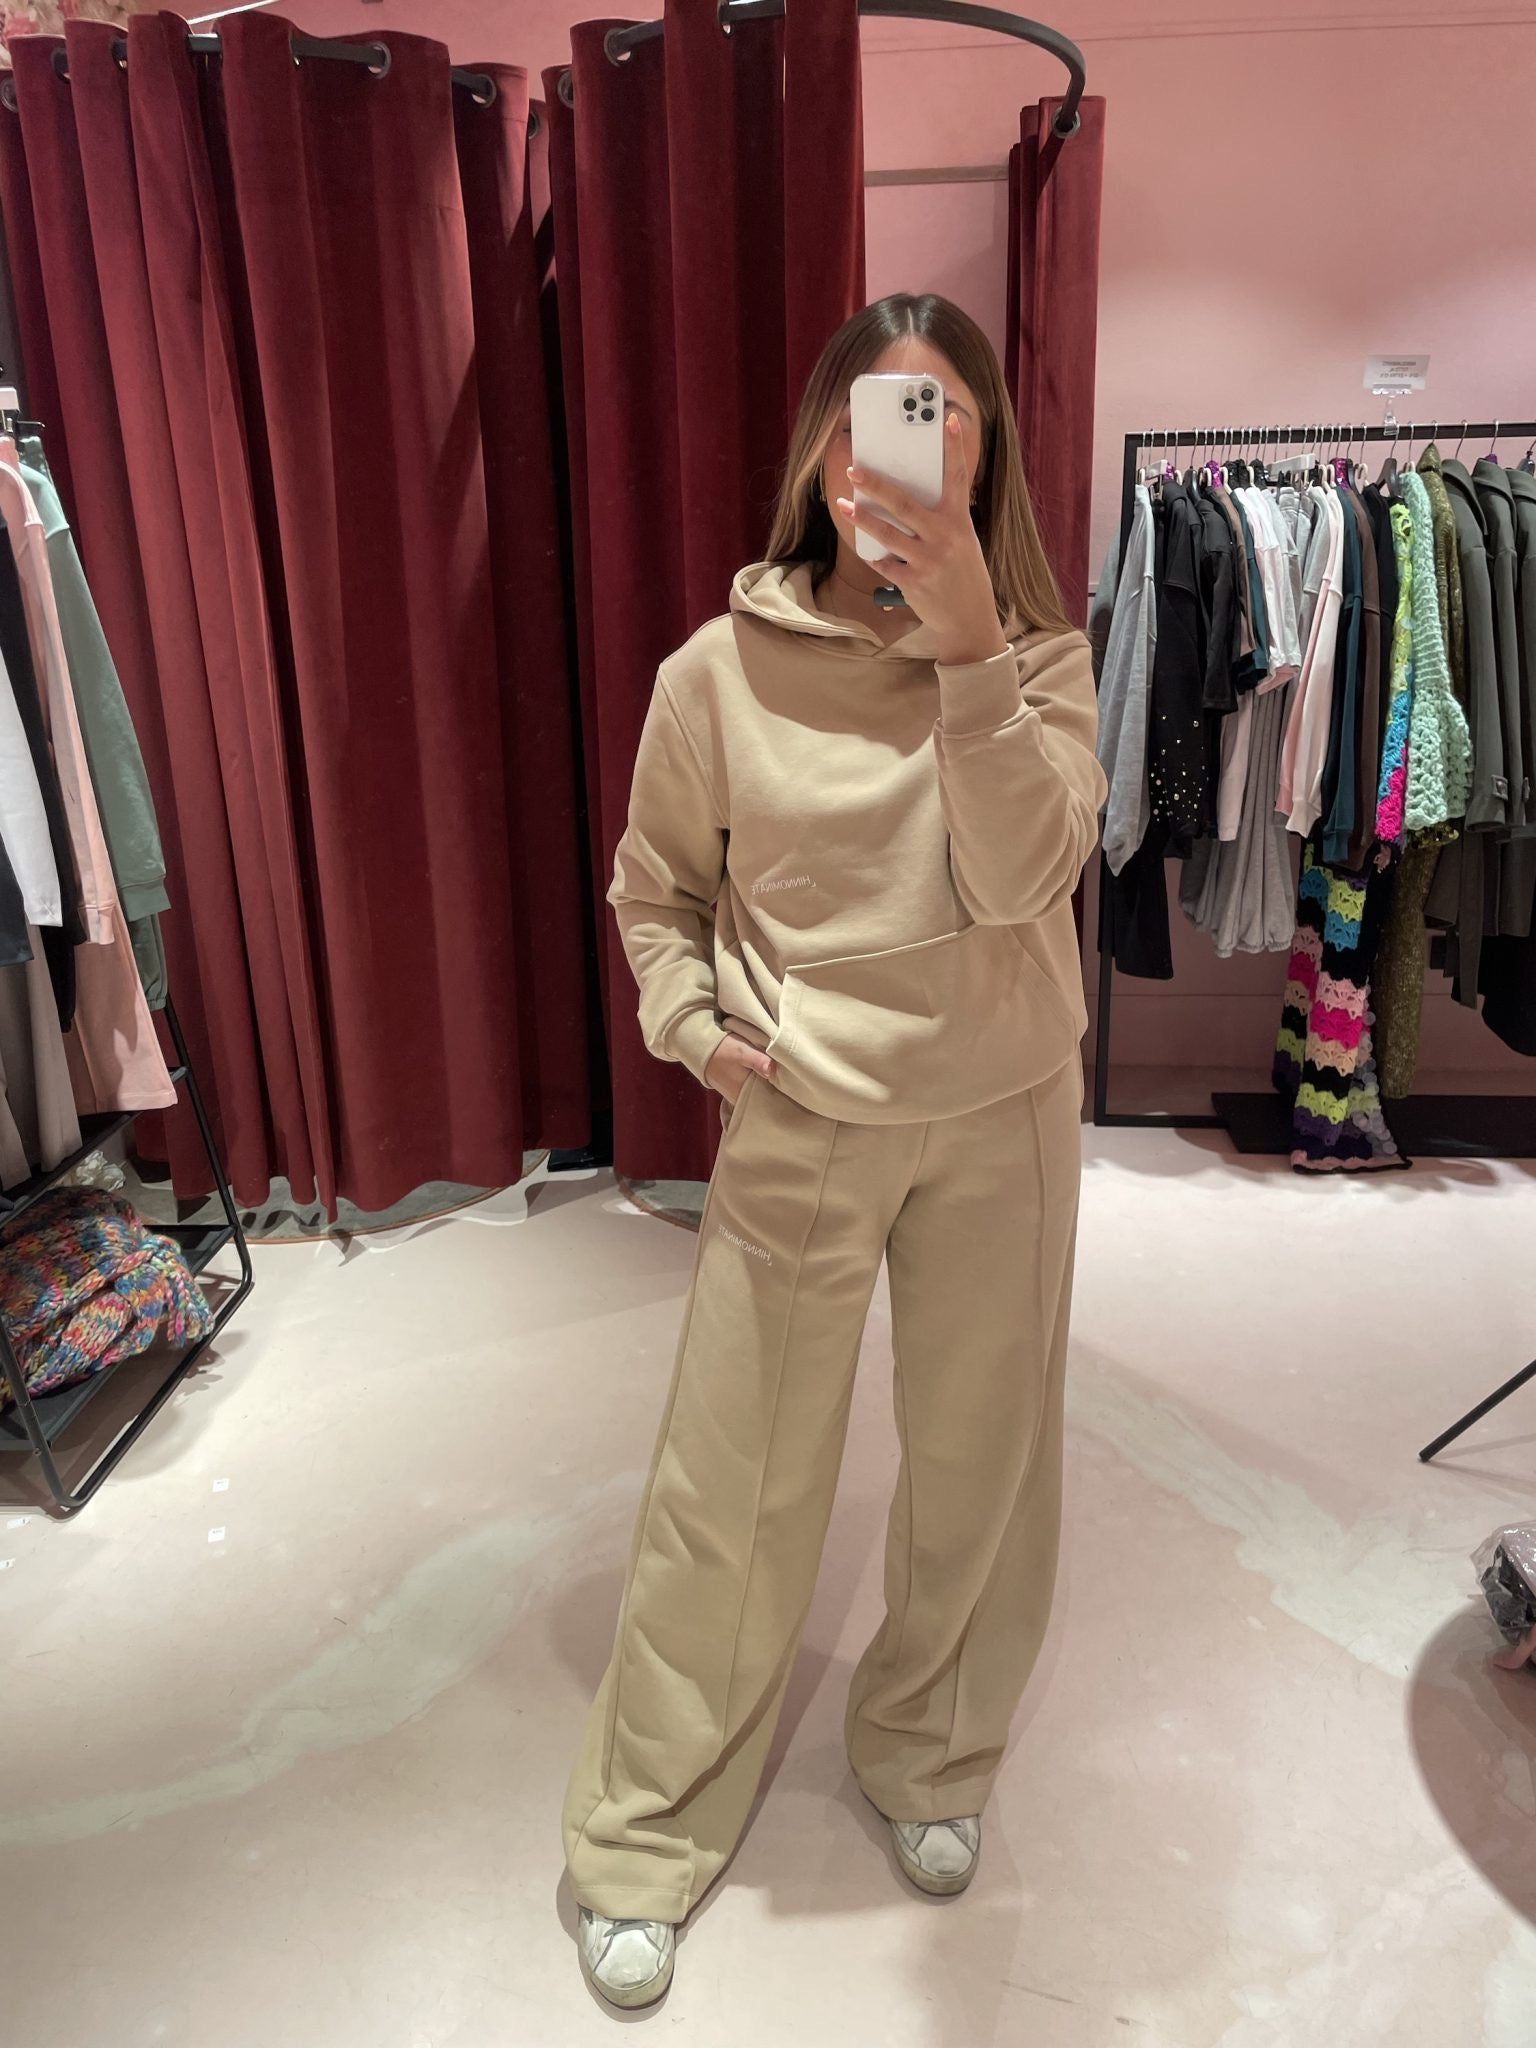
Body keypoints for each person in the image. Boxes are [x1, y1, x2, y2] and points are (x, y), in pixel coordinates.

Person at [563, 291, 1107, 2010]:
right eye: (882, 422)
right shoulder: (713, 674)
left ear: (986, 458)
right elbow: (655, 889)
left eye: (946, 424)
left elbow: (1023, 880)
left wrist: (969, 650)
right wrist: (690, 1024)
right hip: (803, 1108)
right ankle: (647, 1826)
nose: (905, 462)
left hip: (1005, 1107)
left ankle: (931, 1747)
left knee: (982, 1459)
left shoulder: (1039, 661)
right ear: (820, 448)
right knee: (732, 1477)